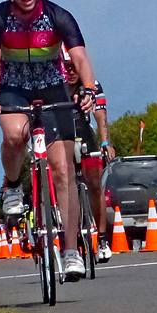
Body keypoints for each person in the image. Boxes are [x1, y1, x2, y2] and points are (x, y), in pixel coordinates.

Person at [0, 0, 98, 281]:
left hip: (53, 88)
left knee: (63, 170)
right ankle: (14, 186)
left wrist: (87, 89)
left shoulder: (60, 16)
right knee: (15, 136)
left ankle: (71, 249)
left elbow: (80, 57)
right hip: (13, 88)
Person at [61, 46, 116, 263]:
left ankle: (102, 239)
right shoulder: (55, 85)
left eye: (75, 66)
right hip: (62, 134)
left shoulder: (91, 83)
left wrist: (105, 142)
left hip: (84, 133)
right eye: (67, 67)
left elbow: (100, 115)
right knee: (62, 179)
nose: (72, 71)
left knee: (94, 182)